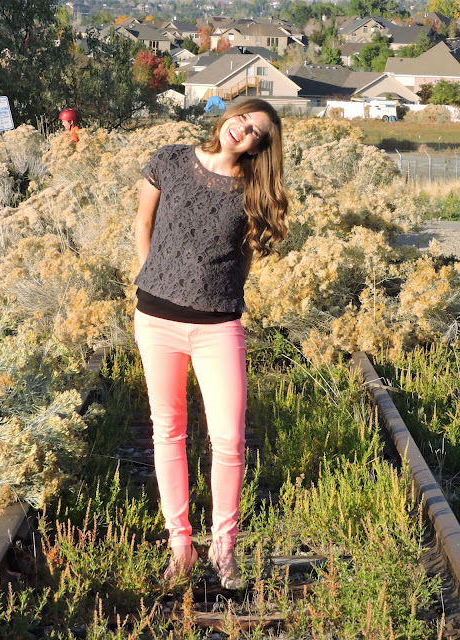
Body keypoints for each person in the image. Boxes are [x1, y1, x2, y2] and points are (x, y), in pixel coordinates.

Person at [133, 98, 288, 589]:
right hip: (156, 321)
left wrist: (216, 293)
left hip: (218, 327)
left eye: (255, 131)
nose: (243, 129)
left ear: (258, 148)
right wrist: (154, 278)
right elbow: (143, 223)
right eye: (243, 117)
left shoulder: (253, 192)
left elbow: (246, 257)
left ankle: (224, 548)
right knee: (168, 431)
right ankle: (180, 546)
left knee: (229, 439)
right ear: (228, 116)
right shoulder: (170, 159)